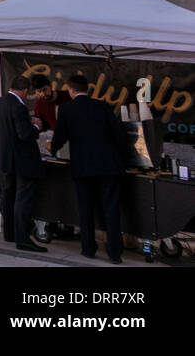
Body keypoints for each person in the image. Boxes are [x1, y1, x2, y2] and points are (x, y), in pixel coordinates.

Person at [51, 74, 129, 263]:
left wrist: (52, 148)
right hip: (108, 165)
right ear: (87, 89)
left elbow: (60, 136)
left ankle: (88, 248)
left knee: (85, 209)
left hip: (83, 167)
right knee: (111, 209)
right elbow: (118, 134)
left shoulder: (66, 109)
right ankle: (115, 253)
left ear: (70, 90)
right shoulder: (102, 105)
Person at [0, 76, 46, 252]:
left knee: (8, 194)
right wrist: (36, 126)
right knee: (23, 198)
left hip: (4, 157)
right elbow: (24, 134)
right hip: (22, 159)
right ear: (24, 91)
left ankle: (10, 233)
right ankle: (22, 238)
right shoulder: (19, 106)